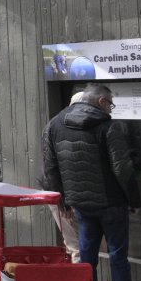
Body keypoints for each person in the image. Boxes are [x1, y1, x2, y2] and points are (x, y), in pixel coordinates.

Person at [41, 82, 141, 281]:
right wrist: (134, 200)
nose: (111, 109)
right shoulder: (108, 126)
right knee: (118, 258)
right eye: (110, 104)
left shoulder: (54, 125)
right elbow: (122, 168)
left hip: (81, 205)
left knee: (87, 259)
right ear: (101, 101)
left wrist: (62, 200)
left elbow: (50, 167)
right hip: (112, 203)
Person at [39, 91, 85, 265]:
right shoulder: (59, 126)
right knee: (76, 245)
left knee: (76, 244)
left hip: (66, 192)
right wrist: (62, 202)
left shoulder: (54, 124)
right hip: (62, 193)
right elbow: (51, 167)